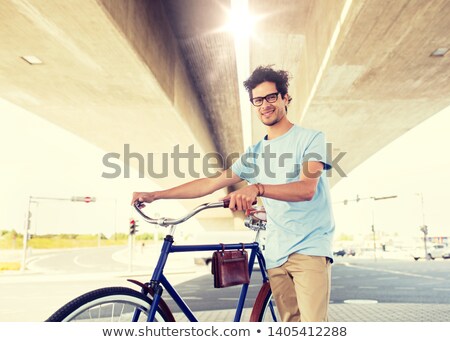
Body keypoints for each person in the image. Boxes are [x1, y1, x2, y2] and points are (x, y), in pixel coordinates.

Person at [131, 65, 335, 322]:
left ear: (285, 98)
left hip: (309, 247)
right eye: (258, 100)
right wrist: (156, 195)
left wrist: (258, 188)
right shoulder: (255, 153)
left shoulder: (311, 139)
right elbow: (210, 183)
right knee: (290, 326)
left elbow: (307, 189)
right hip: (275, 252)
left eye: (271, 97)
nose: (265, 105)